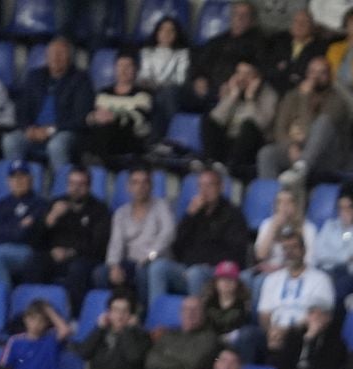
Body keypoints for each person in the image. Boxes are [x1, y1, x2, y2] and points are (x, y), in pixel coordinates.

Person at [152, 167, 253, 303]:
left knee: (196, 273)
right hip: (186, 269)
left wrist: (203, 264)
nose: (205, 190)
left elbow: (235, 252)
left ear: (221, 187)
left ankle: (197, 320)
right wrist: (189, 217)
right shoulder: (194, 213)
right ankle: (156, 315)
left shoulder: (233, 214)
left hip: (215, 272)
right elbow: (177, 246)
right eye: (201, 186)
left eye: (210, 185)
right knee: (159, 267)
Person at [7, 37, 93, 173]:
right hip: (34, 131)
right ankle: (18, 184)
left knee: (56, 146)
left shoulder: (81, 79)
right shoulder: (34, 76)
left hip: (63, 131)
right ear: (47, 56)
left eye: (61, 53)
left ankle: (62, 187)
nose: (56, 57)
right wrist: (28, 129)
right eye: (52, 53)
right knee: (11, 141)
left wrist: (50, 130)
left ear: (70, 57)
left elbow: (81, 117)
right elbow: (21, 108)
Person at [258, 55, 350, 181]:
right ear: (306, 73)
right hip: (295, 149)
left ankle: (301, 167)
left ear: (330, 76)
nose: (316, 77)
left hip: (325, 156)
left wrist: (305, 98)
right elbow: (279, 128)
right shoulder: (292, 96)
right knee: (267, 153)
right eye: (312, 72)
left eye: (322, 73)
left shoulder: (337, 101)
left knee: (323, 122)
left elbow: (309, 132)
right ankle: (271, 195)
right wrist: (290, 146)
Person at [38, 166, 111, 309]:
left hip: (83, 257)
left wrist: (70, 252)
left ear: (89, 186)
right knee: (36, 261)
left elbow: (98, 245)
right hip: (54, 254)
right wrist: (51, 218)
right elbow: (36, 239)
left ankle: (75, 314)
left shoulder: (99, 209)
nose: (76, 188)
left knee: (77, 269)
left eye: (81, 184)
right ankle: (32, 312)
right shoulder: (56, 204)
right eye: (72, 184)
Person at [105, 169, 176, 300]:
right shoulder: (121, 213)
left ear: (151, 186)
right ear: (129, 187)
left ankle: (145, 314)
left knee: (144, 272)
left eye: (145, 183)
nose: (140, 187)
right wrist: (114, 266)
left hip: (156, 260)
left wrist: (150, 255)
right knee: (103, 273)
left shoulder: (162, 206)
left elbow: (168, 233)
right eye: (135, 183)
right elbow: (116, 243)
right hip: (131, 261)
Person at [205, 60, 280, 177]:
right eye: (239, 73)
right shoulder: (233, 90)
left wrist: (250, 99)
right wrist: (232, 96)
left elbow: (261, 125)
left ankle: (231, 167)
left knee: (248, 126)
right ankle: (211, 163)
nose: (242, 78)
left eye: (247, 74)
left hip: (253, 143)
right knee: (209, 120)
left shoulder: (269, 94)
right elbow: (216, 117)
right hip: (231, 140)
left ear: (257, 77)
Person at [81, 54, 154, 166]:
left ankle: (99, 164)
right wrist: (94, 117)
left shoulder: (143, 94)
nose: (123, 70)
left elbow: (138, 117)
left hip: (131, 137)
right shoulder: (103, 93)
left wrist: (114, 117)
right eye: (120, 66)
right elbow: (92, 116)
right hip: (104, 136)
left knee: (107, 129)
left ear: (135, 69)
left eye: (128, 66)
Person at [0, 165, 44, 295]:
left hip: (23, 250)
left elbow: (21, 235)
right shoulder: (0, 204)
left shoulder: (39, 204)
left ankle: (6, 302)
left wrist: (0, 230)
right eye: (14, 177)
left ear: (31, 179)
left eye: (22, 176)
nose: (18, 181)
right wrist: (14, 227)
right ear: (8, 181)